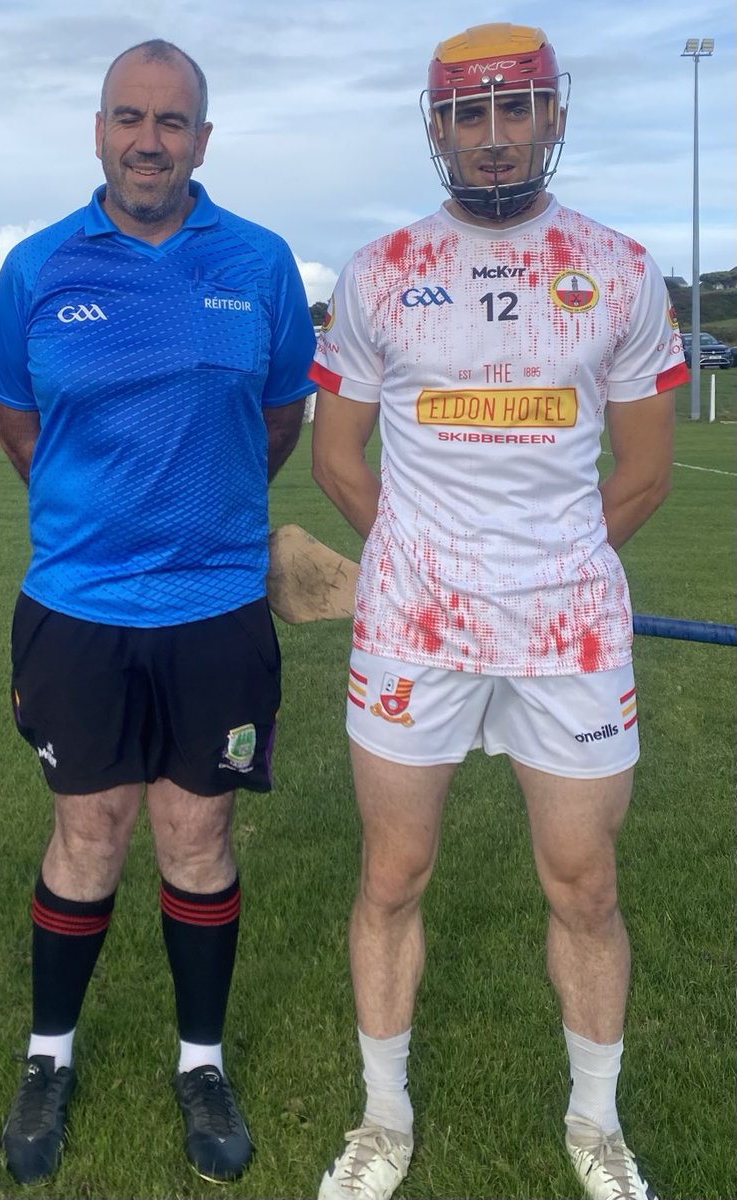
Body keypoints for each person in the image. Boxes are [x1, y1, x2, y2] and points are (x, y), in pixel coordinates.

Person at [310, 22, 686, 1200]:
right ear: (433, 128)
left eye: (513, 108)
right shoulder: (376, 273)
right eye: (465, 114)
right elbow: (335, 457)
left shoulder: (620, 269)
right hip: (411, 631)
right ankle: (382, 1121)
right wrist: (430, 562)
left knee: (583, 885)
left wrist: (541, 566)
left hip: (566, 631)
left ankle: (594, 1127)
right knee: (391, 876)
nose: (490, 136)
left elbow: (639, 473)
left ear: (553, 113)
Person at [0, 38, 315, 1186]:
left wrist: (203, 520)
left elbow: (278, 420)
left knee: (197, 835)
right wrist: (99, 518)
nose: (148, 140)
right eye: (129, 117)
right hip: (76, 607)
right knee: (88, 833)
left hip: (215, 608)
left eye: (172, 121)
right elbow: (17, 423)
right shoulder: (34, 267)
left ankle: (200, 1062)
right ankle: (48, 1056)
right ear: (98, 131)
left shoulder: (260, 263)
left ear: (202, 141)